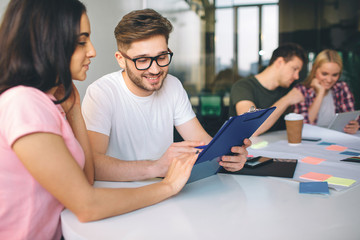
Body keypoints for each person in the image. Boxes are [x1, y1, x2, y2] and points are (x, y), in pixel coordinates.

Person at [0, 1, 198, 239]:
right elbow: (87, 205)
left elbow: (87, 178)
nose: (92, 51)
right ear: (49, 42)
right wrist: (168, 186)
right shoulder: (24, 103)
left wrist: (74, 107)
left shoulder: (52, 102)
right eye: (82, 41)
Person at [82, 9, 250, 182]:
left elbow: (201, 143)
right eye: (142, 60)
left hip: (166, 190)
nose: (155, 70)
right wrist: (156, 167)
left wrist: (228, 157)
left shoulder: (173, 85)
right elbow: (93, 165)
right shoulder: (102, 92)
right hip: (120, 194)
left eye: (162, 57)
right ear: (121, 59)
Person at [229, 43, 308, 136]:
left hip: (276, 148)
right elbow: (251, 129)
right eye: (294, 69)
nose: (296, 76)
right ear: (280, 62)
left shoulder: (287, 89)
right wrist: (287, 99)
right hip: (248, 150)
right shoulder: (243, 87)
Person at [293, 49, 359, 134]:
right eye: (324, 74)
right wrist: (320, 93)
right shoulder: (301, 90)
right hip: (309, 140)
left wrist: (354, 126)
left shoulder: (342, 88)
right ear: (314, 70)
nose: (329, 80)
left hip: (336, 138)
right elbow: (303, 125)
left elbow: (350, 119)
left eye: (335, 75)